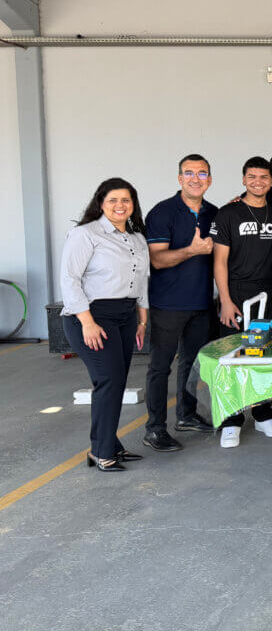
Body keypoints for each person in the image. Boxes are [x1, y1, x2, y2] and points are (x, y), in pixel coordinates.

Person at [61, 178, 150, 472]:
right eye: (112, 200)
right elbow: (70, 280)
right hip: (92, 315)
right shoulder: (85, 234)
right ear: (100, 203)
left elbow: (142, 281)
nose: (119, 205)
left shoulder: (137, 238)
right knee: (108, 380)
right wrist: (86, 322)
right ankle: (100, 451)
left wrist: (142, 319)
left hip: (126, 315)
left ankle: (109, 443)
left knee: (117, 381)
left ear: (133, 204)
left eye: (126, 200)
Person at [142, 155, 218, 453]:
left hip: (201, 302)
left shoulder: (214, 212)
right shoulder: (162, 212)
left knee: (192, 363)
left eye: (202, 173)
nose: (195, 179)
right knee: (160, 367)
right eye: (189, 173)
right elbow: (157, 259)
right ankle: (154, 428)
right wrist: (191, 250)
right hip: (168, 304)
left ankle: (186, 415)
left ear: (209, 179)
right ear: (179, 178)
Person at [211, 156, 272, 448]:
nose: (258, 182)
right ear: (243, 180)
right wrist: (225, 300)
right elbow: (219, 261)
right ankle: (231, 420)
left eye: (263, 177)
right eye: (252, 177)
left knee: (264, 354)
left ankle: (263, 413)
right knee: (234, 356)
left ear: (271, 181)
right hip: (237, 293)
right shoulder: (228, 213)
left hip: (270, 293)